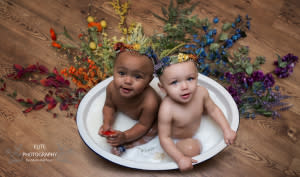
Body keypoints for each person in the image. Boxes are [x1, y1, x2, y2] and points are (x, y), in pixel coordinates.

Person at [155, 53, 237, 171]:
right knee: (192, 149)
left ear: (197, 77)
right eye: (174, 82)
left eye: (190, 79)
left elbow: (213, 110)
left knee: (206, 107)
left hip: (192, 124)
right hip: (178, 138)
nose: (184, 86)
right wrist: (180, 158)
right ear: (162, 88)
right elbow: (164, 138)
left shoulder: (201, 92)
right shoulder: (167, 109)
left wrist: (226, 129)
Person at [98, 43, 161, 156]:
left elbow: (143, 126)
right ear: (114, 71)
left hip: (152, 120)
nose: (127, 81)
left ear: (149, 80)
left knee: (154, 131)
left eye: (137, 76)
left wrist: (126, 137)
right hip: (139, 121)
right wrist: (107, 123)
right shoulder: (112, 88)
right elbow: (109, 106)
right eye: (122, 73)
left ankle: (127, 146)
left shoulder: (150, 102)